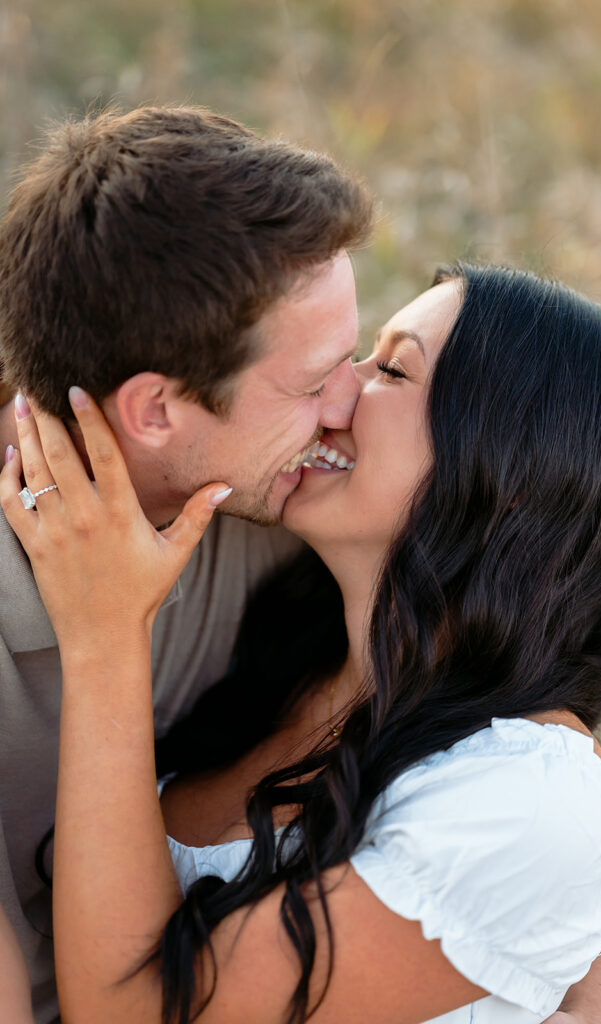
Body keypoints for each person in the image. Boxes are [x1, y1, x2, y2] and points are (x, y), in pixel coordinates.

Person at [2, 263, 601, 1023]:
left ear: (514, 473)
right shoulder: (294, 635)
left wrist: (105, 635)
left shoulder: (529, 801)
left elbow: (138, 1014)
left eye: (391, 369)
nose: (335, 390)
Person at [0, 103, 373, 1021]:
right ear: (155, 411)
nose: (348, 406)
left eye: (355, 357)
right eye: (311, 381)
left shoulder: (293, 503)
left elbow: (529, 687)